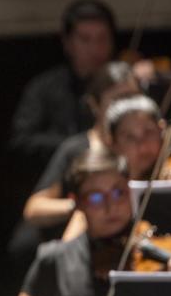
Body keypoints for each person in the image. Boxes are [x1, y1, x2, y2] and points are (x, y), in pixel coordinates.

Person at [7, 147, 171, 296]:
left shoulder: (157, 249)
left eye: (118, 193)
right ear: (77, 201)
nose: (110, 206)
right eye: (96, 198)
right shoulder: (54, 257)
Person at [20, 62, 140, 238]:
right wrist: (86, 204)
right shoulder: (75, 149)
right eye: (117, 101)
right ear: (94, 104)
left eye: (133, 99)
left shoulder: (148, 142)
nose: (127, 109)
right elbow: (34, 208)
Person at [10, 0, 117, 164]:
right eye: (85, 39)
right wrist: (79, 144)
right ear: (67, 43)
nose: (95, 49)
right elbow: (21, 141)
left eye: (102, 39)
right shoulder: (44, 87)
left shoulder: (121, 84)